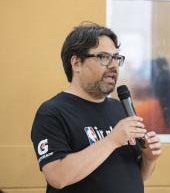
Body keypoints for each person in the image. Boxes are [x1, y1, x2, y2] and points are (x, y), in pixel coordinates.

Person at [31, 23, 162, 193]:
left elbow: (136, 176)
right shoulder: (52, 112)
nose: (113, 65)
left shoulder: (121, 109)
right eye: (103, 57)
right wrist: (112, 140)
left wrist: (149, 158)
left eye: (116, 58)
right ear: (76, 62)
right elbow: (57, 176)